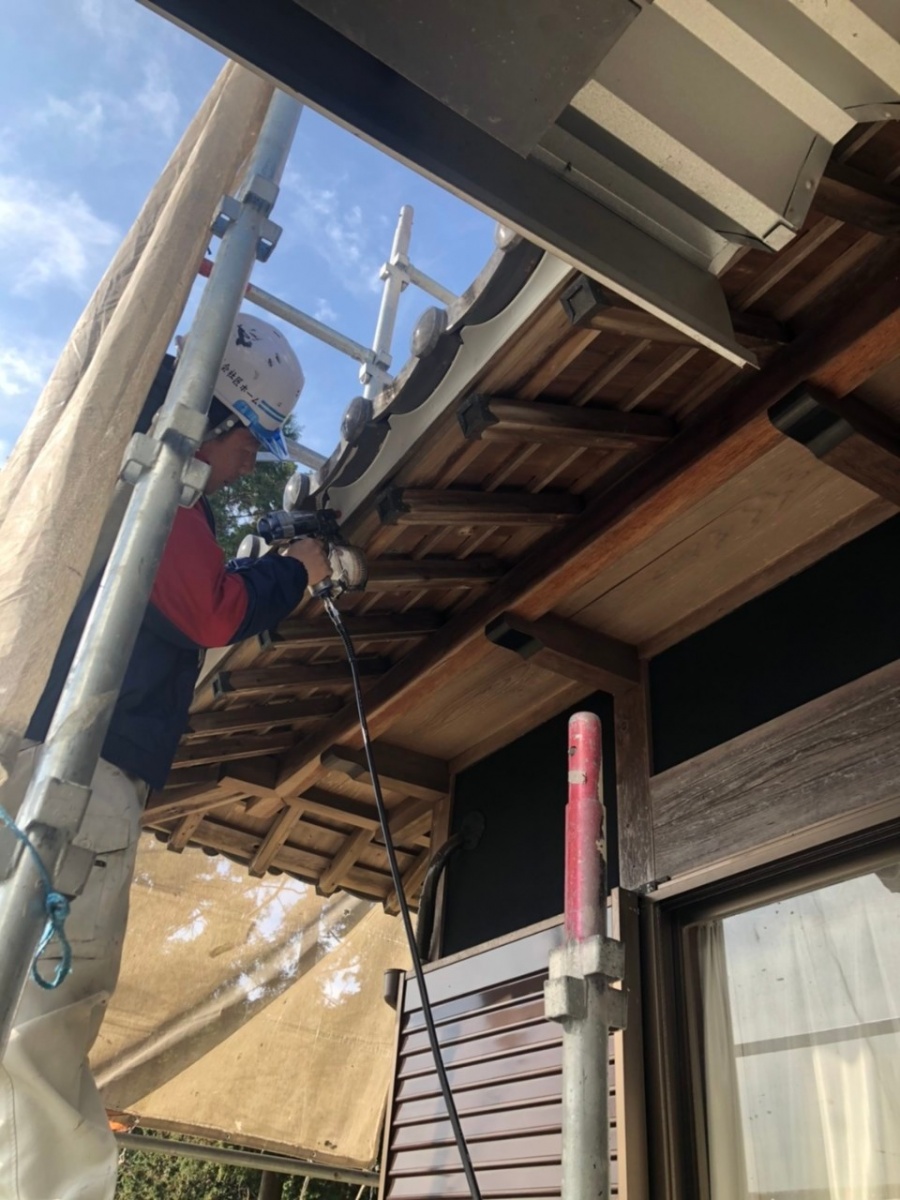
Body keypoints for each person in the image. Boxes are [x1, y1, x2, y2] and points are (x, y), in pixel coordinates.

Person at [0, 314, 328, 1200]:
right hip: (77, 782)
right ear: (220, 419)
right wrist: (298, 568)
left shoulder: (108, 444)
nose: (246, 466)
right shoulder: (163, 476)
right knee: (41, 1026)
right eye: (250, 444)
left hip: (30, 753)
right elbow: (213, 611)